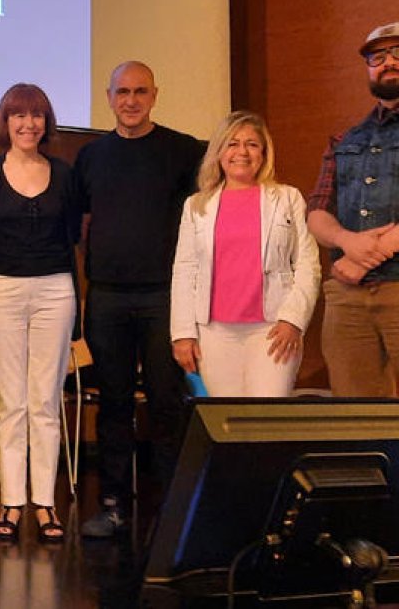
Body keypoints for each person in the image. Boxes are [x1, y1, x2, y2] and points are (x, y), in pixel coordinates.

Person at [74, 61, 204, 538]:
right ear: (109, 97)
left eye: (140, 91)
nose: (131, 100)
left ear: (155, 95)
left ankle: (171, 509)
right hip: (106, 297)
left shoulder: (185, 151)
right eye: (122, 91)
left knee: (167, 403)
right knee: (113, 404)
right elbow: (83, 227)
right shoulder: (91, 157)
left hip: (164, 297)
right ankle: (113, 505)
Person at [0, 85, 79, 543]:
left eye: (36, 116)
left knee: (45, 401)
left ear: (46, 122)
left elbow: (72, 234)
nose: (28, 124)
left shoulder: (65, 174)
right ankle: (12, 502)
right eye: (19, 115)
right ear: (5, 122)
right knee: (11, 403)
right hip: (3, 291)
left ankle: (45, 503)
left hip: (56, 290)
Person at [171, 112, 320, 396]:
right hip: (214, 335)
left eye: (252, 144)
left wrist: (293, 320)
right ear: (218, 152)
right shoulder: (196, 206)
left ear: (264, 153)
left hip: (273, 330)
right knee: (227, 426)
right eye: (232, 144)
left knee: (267, 422)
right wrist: (183, 333)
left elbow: (308, 264)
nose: (242, 152)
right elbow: (185, 269)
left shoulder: (288, 199)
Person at [307, 21, 399, 397]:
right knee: (357, 420)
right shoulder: (347, 138)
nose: (387, 62)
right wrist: (346, 240)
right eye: (377, 57)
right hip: (348, 299)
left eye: (397, 53)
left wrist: (363, 257)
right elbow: (316, 212)